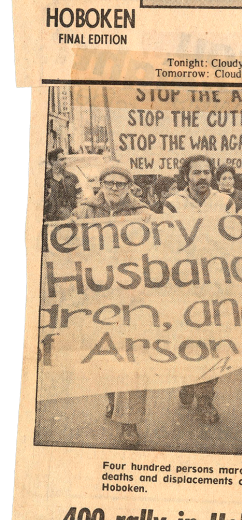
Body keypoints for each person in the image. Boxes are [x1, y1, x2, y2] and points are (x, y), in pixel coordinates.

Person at [71, 163, 152, 448]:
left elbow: (164, 243)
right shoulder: (84, 212)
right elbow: (66, 245)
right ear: (101, 185)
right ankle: (112, 399)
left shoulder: (142, 213)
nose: (115, 188)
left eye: (121, 183)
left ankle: (129, 422)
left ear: (130, 187)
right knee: (105, 355)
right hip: (97, 296)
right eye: (109, 183)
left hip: (133, 297)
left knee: (132, 356)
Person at [163, 155, 235, 422]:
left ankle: (206, 399)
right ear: (186, 176)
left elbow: (234, 240)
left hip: (216, 282)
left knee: (213, 341)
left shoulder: (225, 202)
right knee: (188, 339)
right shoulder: (172, 204)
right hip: (185, 283)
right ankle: (187, 380)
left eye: (206, 172)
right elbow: (168, 242)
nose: (202, 177)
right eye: (196, 172)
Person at [44, 149, 79, 221]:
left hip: (72, 217)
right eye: (61, 159)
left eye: (65, 159)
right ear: (53, 161)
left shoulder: (73, 177)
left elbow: (80, 196)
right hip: (51, 220)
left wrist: (77, 211)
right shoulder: (45, 179)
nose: (65, 162)